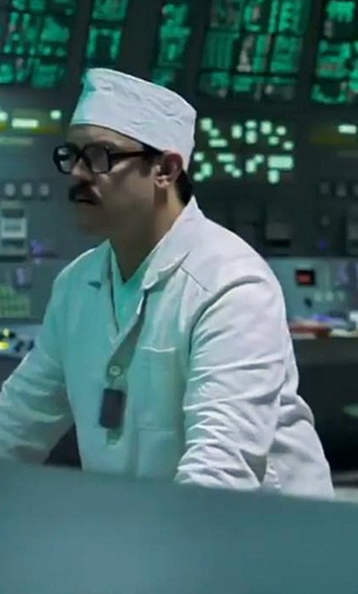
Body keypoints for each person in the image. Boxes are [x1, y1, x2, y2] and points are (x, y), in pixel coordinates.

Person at [0, 69, 334, 499]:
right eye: (73, 155)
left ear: (166, 169)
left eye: (100, 156)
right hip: (148, 525)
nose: (78, 173)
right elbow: (17, 420)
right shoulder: (77, 286)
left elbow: (220, 471)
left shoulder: (231, 286)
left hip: (258, 532)